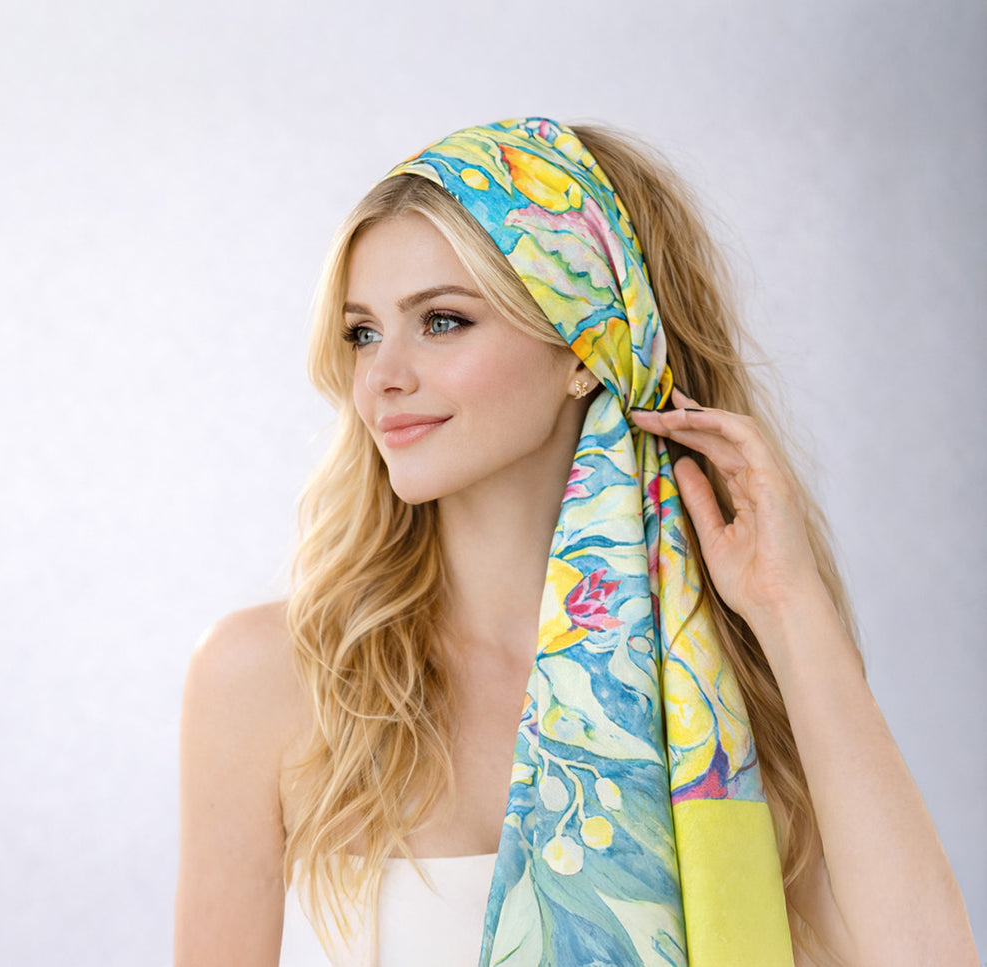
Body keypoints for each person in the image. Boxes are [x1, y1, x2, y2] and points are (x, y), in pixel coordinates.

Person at [174, 118, 978, 966]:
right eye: (362, 332)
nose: (382, 376)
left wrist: (788, 604)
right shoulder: (269, 677)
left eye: (441, 321)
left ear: (586, 346)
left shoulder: (715, 683)